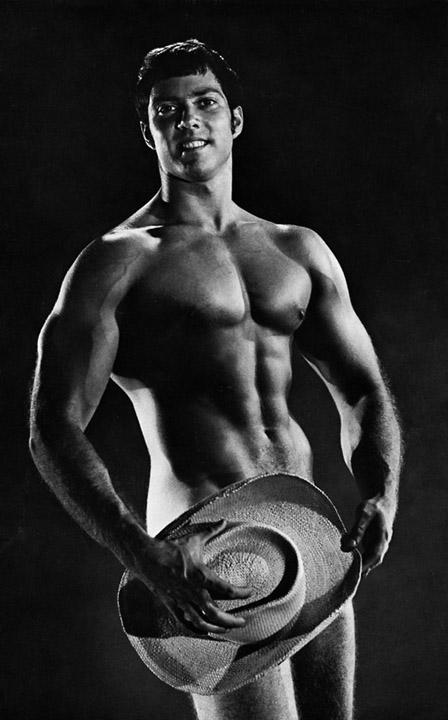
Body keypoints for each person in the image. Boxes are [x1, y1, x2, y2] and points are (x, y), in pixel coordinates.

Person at [29, 39, 402, 720]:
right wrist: (140, 552)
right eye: (167, 111)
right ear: (149, 132)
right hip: (205, 551)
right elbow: (52, 426)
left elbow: (363, 389)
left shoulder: (296, 249)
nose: (188, 121)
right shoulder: (116, 263)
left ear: (235, 119)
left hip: (306, 541)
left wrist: (382, 493)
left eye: (204, 103)